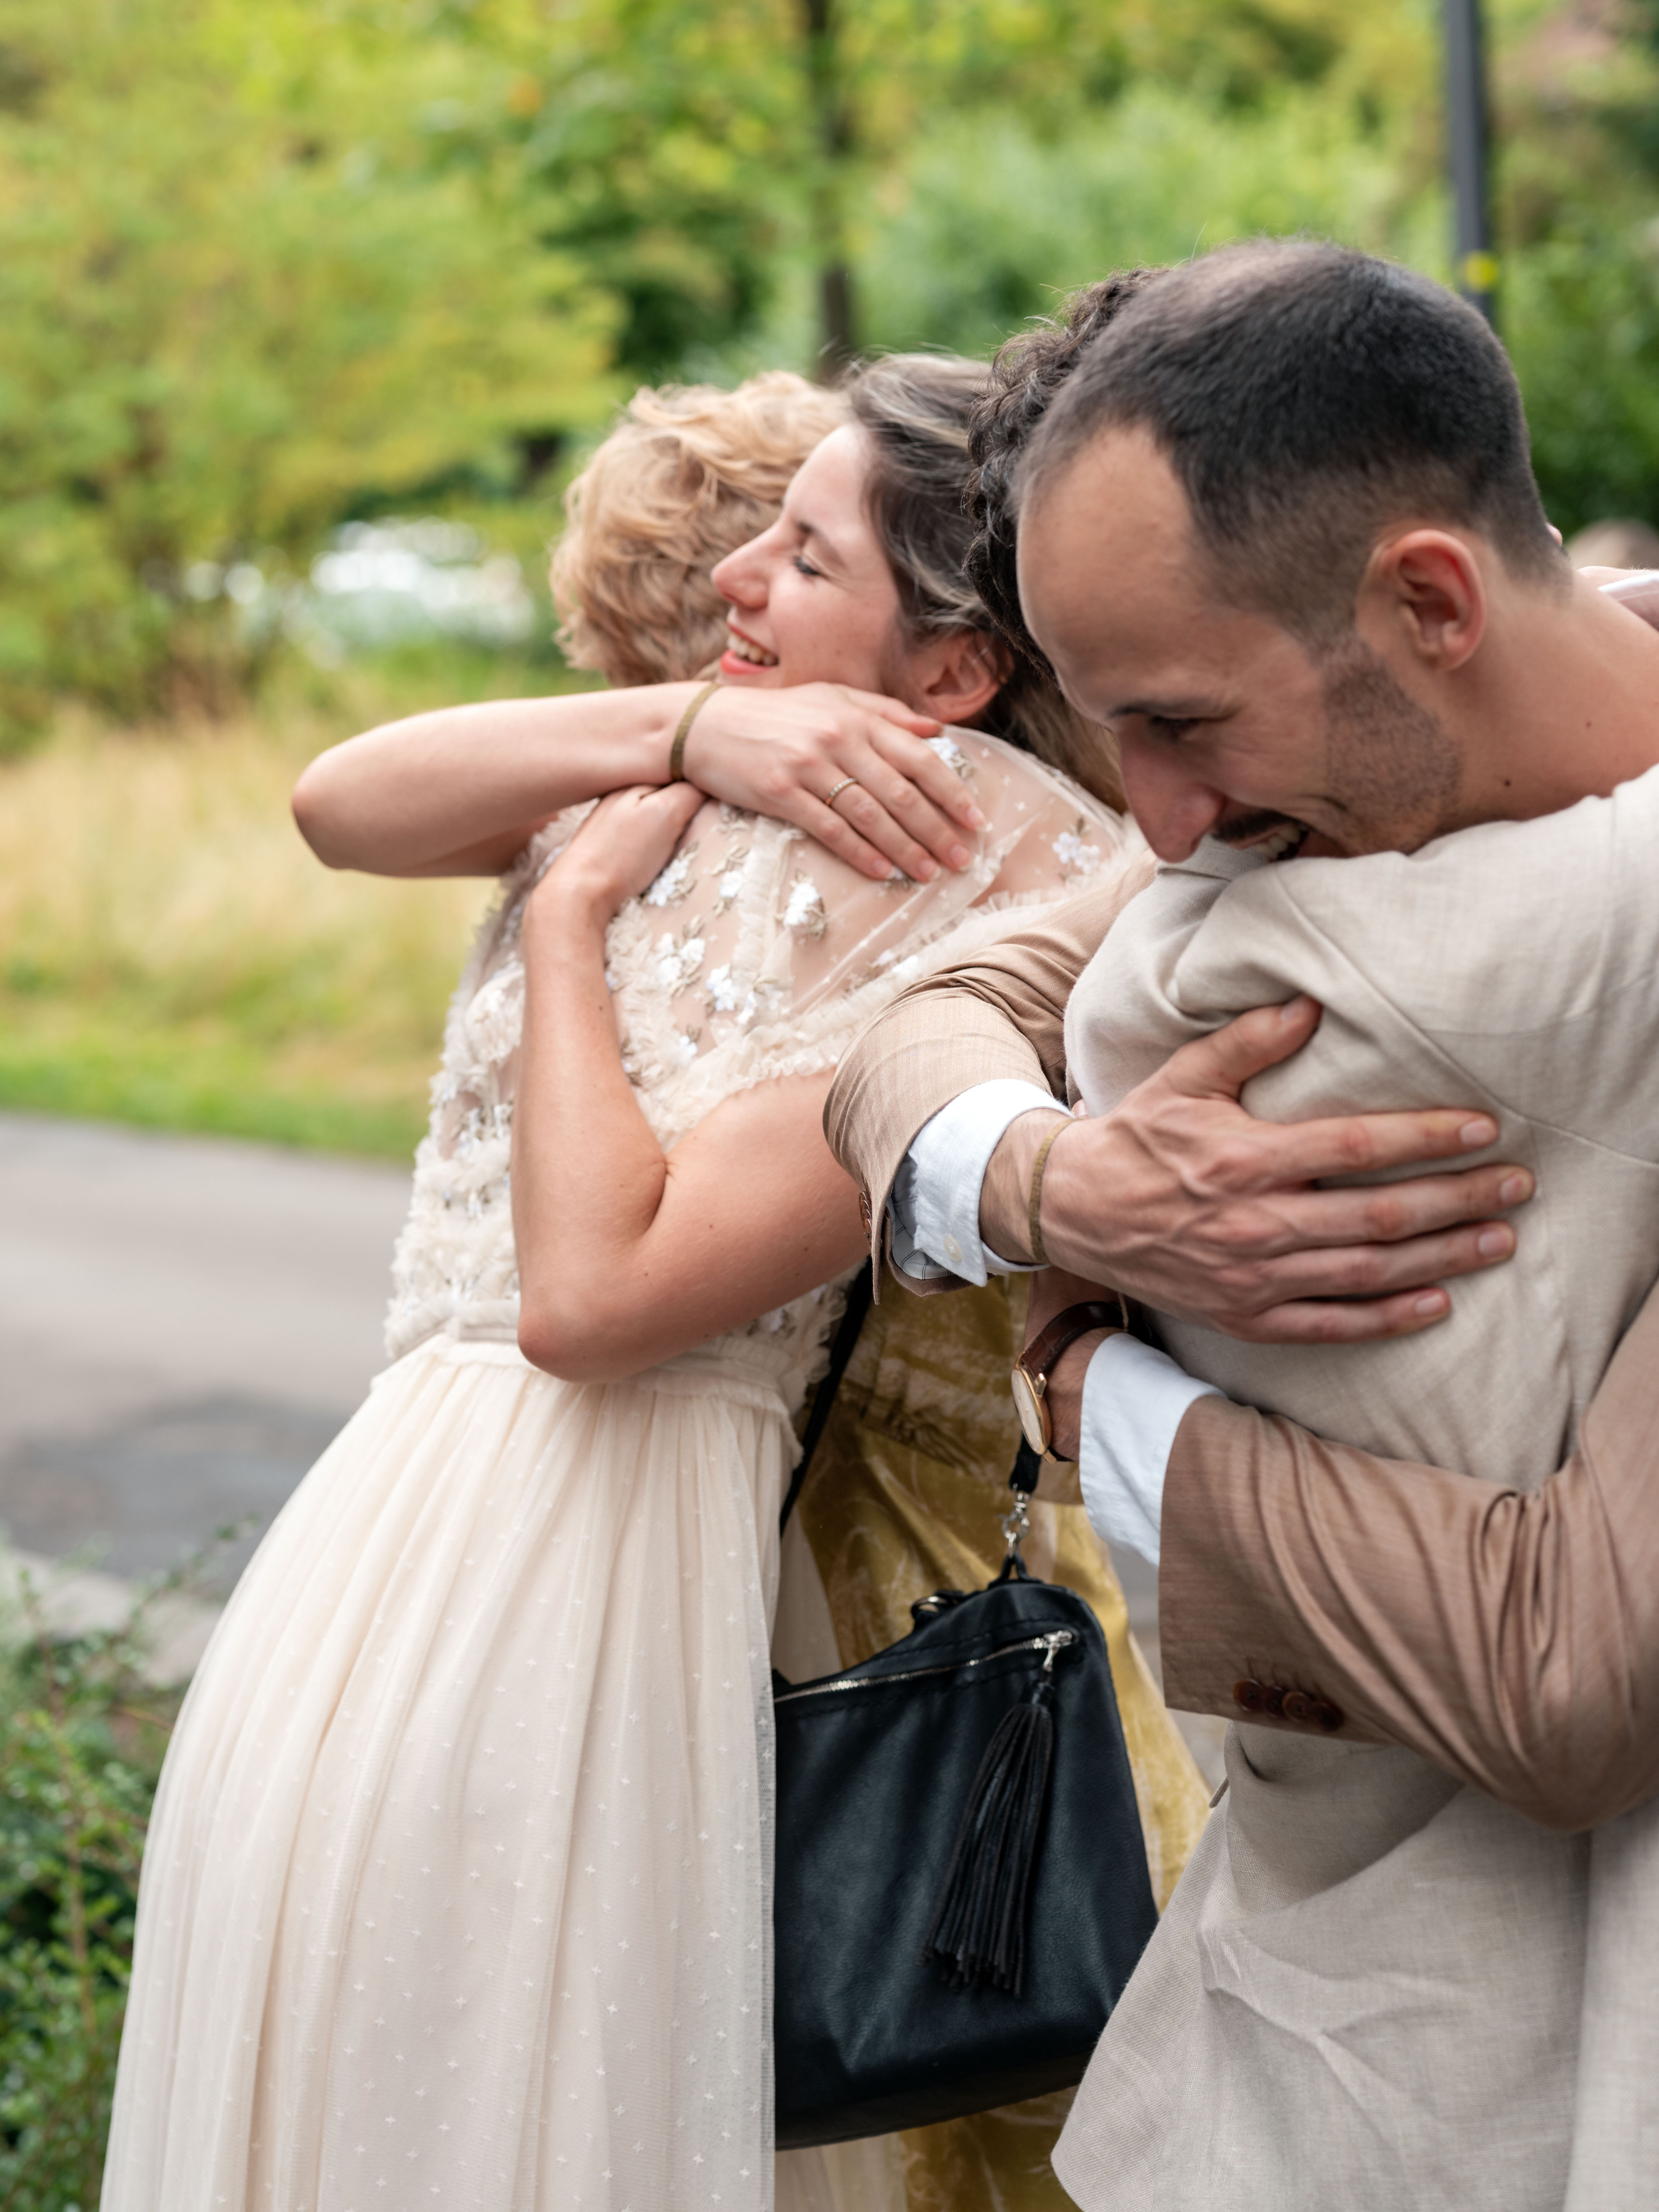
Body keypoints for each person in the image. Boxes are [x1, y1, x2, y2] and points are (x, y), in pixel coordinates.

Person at [103, 357, 1213, 2212]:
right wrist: (698, 731)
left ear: (955, 666)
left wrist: (561, 916)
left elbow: (595, 1296)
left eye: (802, 556)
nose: (734, 592)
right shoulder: (689, 768)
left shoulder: (956, 835)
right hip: (542, 1586)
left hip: (458, 1582)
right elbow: (337, 798)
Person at [826, 242, 1659, 2211]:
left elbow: (1569, 1670)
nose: (1161, 824)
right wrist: (1051, 1183)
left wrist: (1098, 1387)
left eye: (1184, 725)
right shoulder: (1290, 841)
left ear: (1431, 600)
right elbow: (923, 1028)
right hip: (1296, 2054)